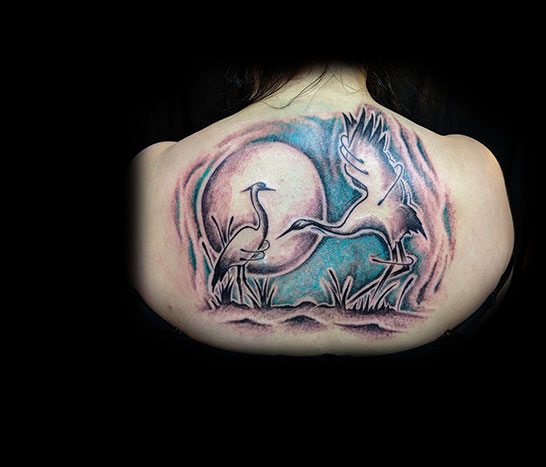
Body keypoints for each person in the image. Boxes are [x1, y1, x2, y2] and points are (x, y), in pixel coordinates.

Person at [130, 61, 515, 356]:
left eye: (299, 226)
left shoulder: (152, 176)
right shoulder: (477, 171)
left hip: (396, 220)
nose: (296, 231)